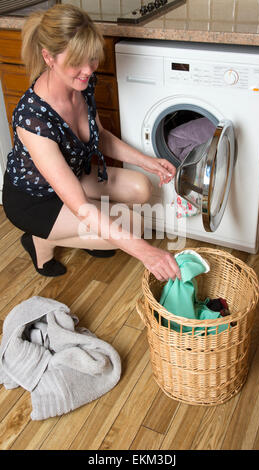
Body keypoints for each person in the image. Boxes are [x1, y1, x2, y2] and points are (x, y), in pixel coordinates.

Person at [2, 3, 181, 282]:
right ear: (48, 57)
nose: (88, 69)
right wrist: (146, 252)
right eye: (77, 62)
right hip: (35, 200)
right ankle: (42, 240)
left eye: (91, 59)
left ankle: (85, 235)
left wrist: (149, 162)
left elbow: (99, 136)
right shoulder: (32, 118)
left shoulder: (82, 84)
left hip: (73, 175)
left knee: (141, 187)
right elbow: (79, 204)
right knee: (133, 226)